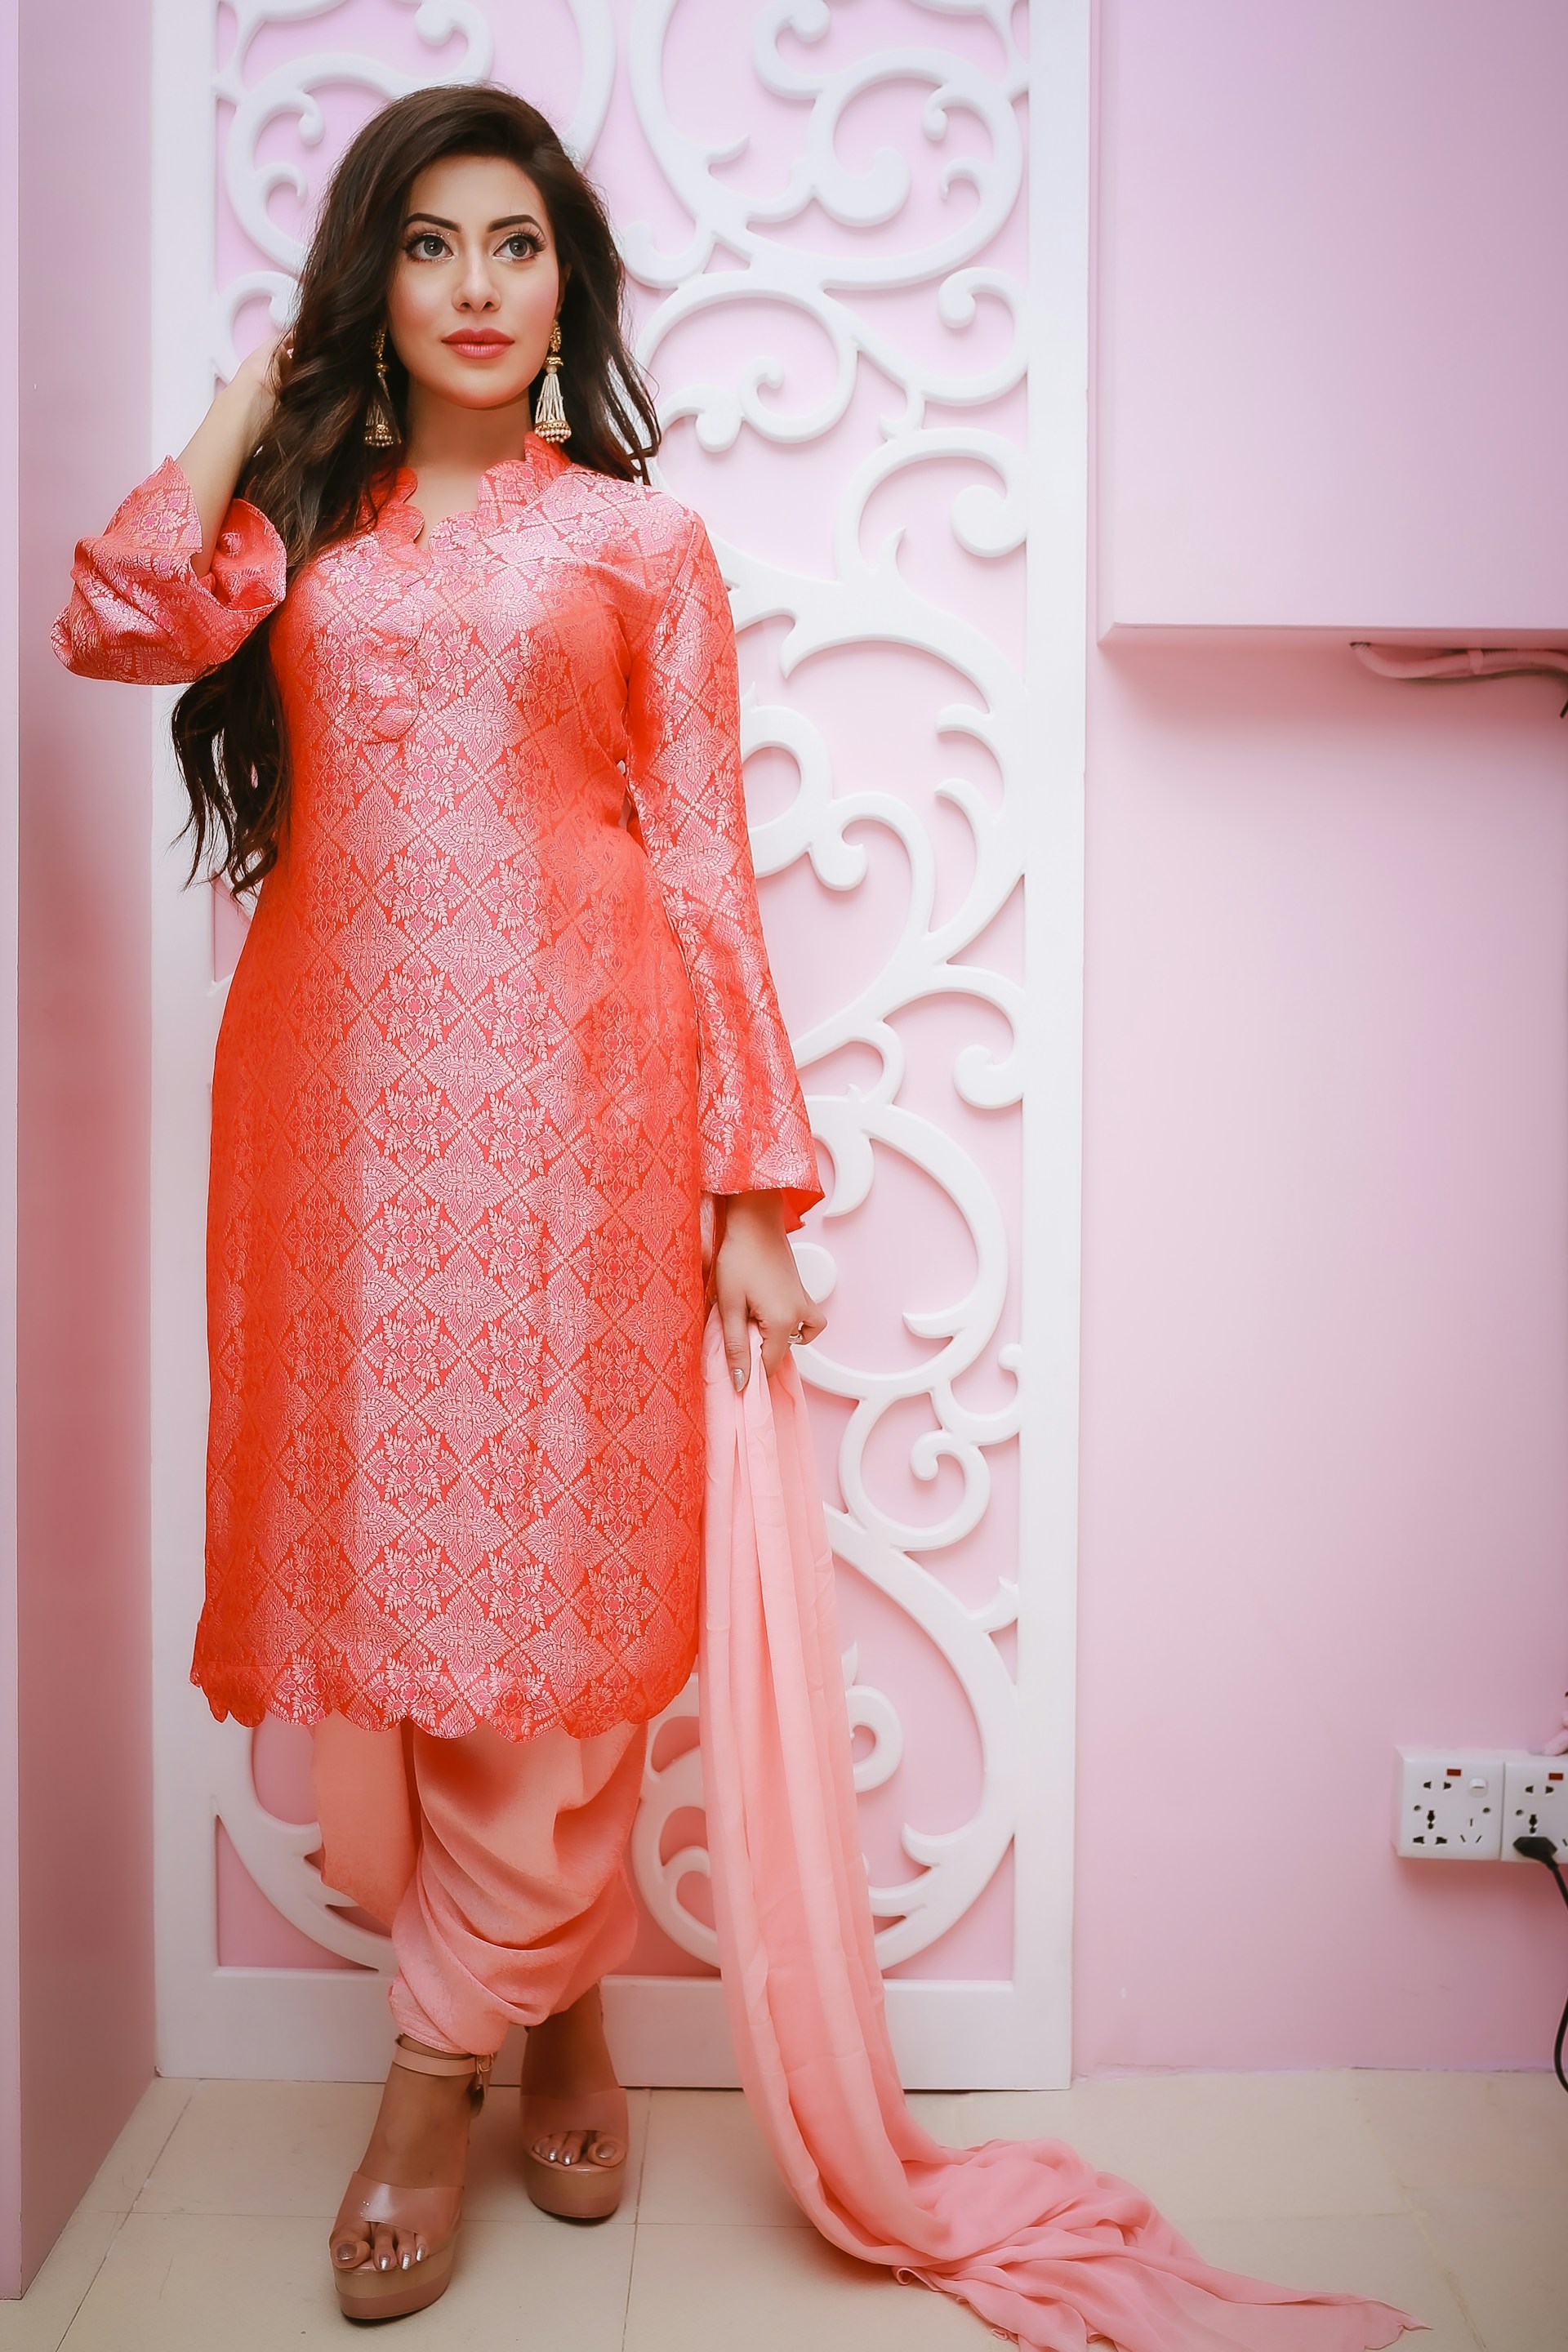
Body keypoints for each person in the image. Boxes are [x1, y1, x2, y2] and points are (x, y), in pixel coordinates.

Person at [52, 82, 825, 2323]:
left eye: (520, 246)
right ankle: (552, 1996)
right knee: (404, 1583)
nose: (484, 290)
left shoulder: (639, 550)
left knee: (553, 1579)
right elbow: (110, 618)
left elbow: (702, 857)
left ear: (567, 277)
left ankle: (428, 2074)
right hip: (339, 1116)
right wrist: (254, 401)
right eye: (432, 246)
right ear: (370, 284)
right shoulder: (305, 533)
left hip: (582, 1106)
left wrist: (752, 1177)